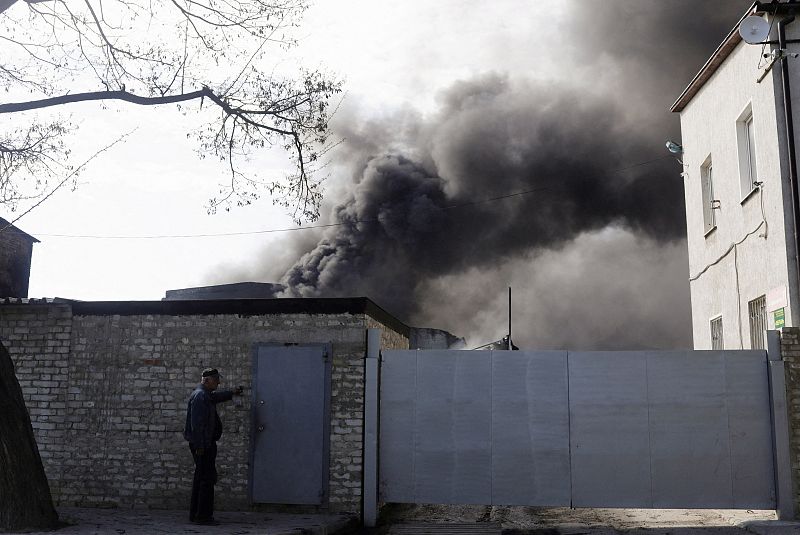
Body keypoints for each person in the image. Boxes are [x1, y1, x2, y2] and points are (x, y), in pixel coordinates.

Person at [184, 368, 243, 525]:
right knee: (207, 479)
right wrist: (200, 446)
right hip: (203, 446)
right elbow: (196, 425)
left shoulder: (205, 395)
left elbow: (216, 397)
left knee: (201, 478)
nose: (218, 382)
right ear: (207, 380)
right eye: (216, 380)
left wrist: (231, 393)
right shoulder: (200, 396)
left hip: (204, 444)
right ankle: (203, 516)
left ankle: (195, 514)